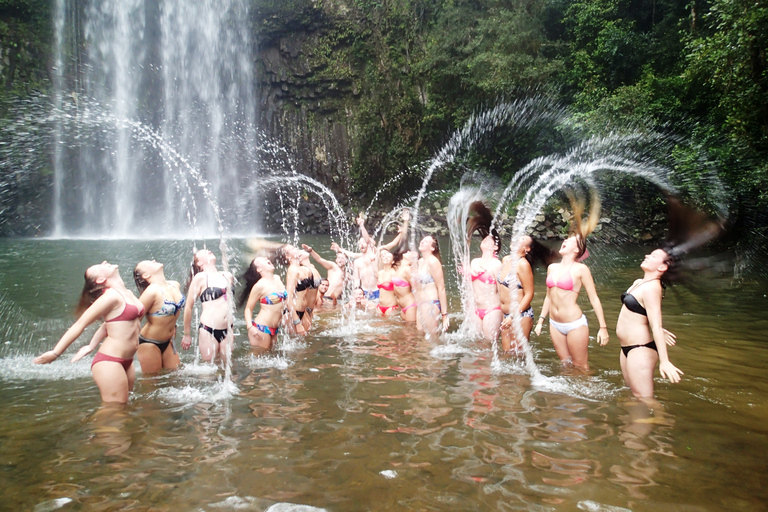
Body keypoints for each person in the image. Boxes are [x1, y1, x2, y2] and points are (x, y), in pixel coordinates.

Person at [34, 262, 144, 403]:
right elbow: (80, 324)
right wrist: (56, 353)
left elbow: (111, 324)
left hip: (127, 361)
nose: (104, 262)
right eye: (99, 266)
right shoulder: (110, 297)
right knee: (114, 411)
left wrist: (91, 345)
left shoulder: (128, 293)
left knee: (124, 408)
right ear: (100, 280)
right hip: (110, 361)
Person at [534, 190, 609, 370]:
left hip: (574, 323)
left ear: (577, 250)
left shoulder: (581, 269)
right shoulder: (552, 268)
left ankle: (587, 394)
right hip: (554, 323)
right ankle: (568, 398)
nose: (565, 241)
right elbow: (548, 297)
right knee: (565, 364)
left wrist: (603, 327)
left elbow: (594, 298)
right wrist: (540, 320)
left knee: (580, 365)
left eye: (570, 241)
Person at [615, 248, 683, 398]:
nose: (646, 255)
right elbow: (643, 312)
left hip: (640, 349)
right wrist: (658, 329)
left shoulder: (653, 287)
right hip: (627, 348)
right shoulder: (639, 282)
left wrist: (664, 361)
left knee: (645, 400)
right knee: (632, 394)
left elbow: (656, 325)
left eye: (653, 256)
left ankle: (663, 421)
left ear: (662, 267)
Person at [498, 235, 551, 352]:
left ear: (527, 249)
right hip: (505, 315)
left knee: (519, 356)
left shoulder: (523, 265)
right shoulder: (506, 260)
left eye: (522, 239)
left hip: (520, 315)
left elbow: (529, 294)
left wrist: (513, 316)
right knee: (507, 354)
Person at [181, 249, 234, 364]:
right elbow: (188, 307)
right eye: (204, 252)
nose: (209, 250)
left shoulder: (228, 276)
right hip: (208, 330)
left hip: (228, 329)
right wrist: (187, 334)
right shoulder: (200, 278)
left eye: (208, 250)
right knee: (209, 370)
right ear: (199, 263)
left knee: (229, 368)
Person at [133, 260, 184, 372]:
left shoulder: (175, 284)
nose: (153, 260)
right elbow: (135, 319)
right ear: (146, 275)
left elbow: (174, 312)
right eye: (148, 263)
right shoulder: (151, 292)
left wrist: (173, 327)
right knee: (151, 383)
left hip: (168, 341)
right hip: (149, 343)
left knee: (175, 378)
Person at [466, 202, 503, 341]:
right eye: (485, 239)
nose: (485, 240)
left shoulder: (496, 264)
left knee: (488, 346)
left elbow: (501, 290)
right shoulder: (475, 261)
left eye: (490, 241)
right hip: (475, 310)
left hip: (492, 310)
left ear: (495, 248)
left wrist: (508, 315)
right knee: (477, 346)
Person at [240, 256, 287, 353]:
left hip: (275, 329)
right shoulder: (259, 286)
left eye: (266, 258)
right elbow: (248, 309)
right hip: (261, 329)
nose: (266, 259)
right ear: (259, 269)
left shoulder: (277, 278)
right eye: (262, 260)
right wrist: (250, 327)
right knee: (258, 360)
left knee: (273, 358)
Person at [414, 235, 450, 336]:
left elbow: (441, 288)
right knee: (421, 338)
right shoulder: (420, 262)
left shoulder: (433, 261)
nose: (422, 242)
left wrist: (444, 315)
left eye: (426, 241)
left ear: (432, 248)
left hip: (431, 304)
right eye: (422, 240)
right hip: (421, 305)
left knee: (431, 340)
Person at [393, 250, 418, 322]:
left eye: (411, 253)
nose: (409, 251)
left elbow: (416, 288)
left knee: (410, 330)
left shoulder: (408, 270)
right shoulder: (400, 268)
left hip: (410, 305)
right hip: (403, 306)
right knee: (404, 330)